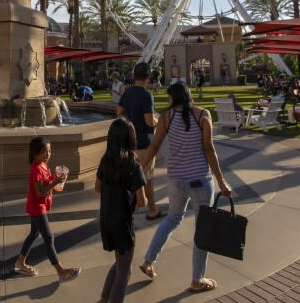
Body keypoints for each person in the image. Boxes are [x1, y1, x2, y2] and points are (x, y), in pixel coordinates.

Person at [138, 82, 232, 293]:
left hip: (176, 180)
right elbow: (209, 149)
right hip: (200, 181)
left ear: (174, 98)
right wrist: (221, 181)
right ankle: (197, 280)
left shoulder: (166, 117)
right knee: (202, 229)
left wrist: (140, 168)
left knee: (172, 218)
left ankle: (148, 260)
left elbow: (154, 146)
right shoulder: (202, 115)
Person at [14, 137, 81, 281]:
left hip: (40, 206)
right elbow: (40, 192)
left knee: (33, 234)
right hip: (37, 208)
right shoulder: (36, 169)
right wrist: (56, 181)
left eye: (49, 151)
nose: (48, 154)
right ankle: (60, 271)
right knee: (49, 238)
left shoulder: (44, 165)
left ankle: (20, 262)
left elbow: (52, 186)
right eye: (44, 152)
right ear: (35, 154)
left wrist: (60, 182)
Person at [95, 118, 147, 303]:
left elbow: (97, 188)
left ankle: (103, 298)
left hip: (106, 219)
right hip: (123, 223)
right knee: (125, 271)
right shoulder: (133, 164)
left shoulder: (105, 161)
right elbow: (142, 200)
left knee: (119, 263)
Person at [117, 62, 164, 220]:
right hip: (145, 143)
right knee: (147, 177)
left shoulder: (128, 93)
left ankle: (134, 206)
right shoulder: (146, 95)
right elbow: (149, 121)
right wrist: (157, 120)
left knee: (135, 175)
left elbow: (119, 113)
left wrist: (130, 125)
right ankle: (152, 210)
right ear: (148, 77)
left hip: (131, 143)